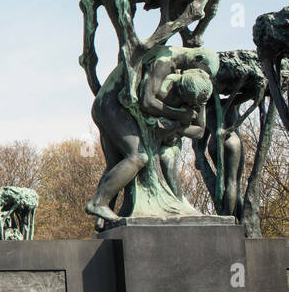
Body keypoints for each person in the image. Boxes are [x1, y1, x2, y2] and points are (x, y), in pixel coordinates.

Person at [85, 46, 216, 223]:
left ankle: (103, 212)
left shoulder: (197, 87)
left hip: (107, 105)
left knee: (117, 162)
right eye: (202, 70)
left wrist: (176, 127)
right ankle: (98, 203)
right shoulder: (165, 64)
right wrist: (178, 117)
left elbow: (199, 130)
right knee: (138, 157)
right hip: (111, 105)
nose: (203, 74)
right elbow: (146, 102)